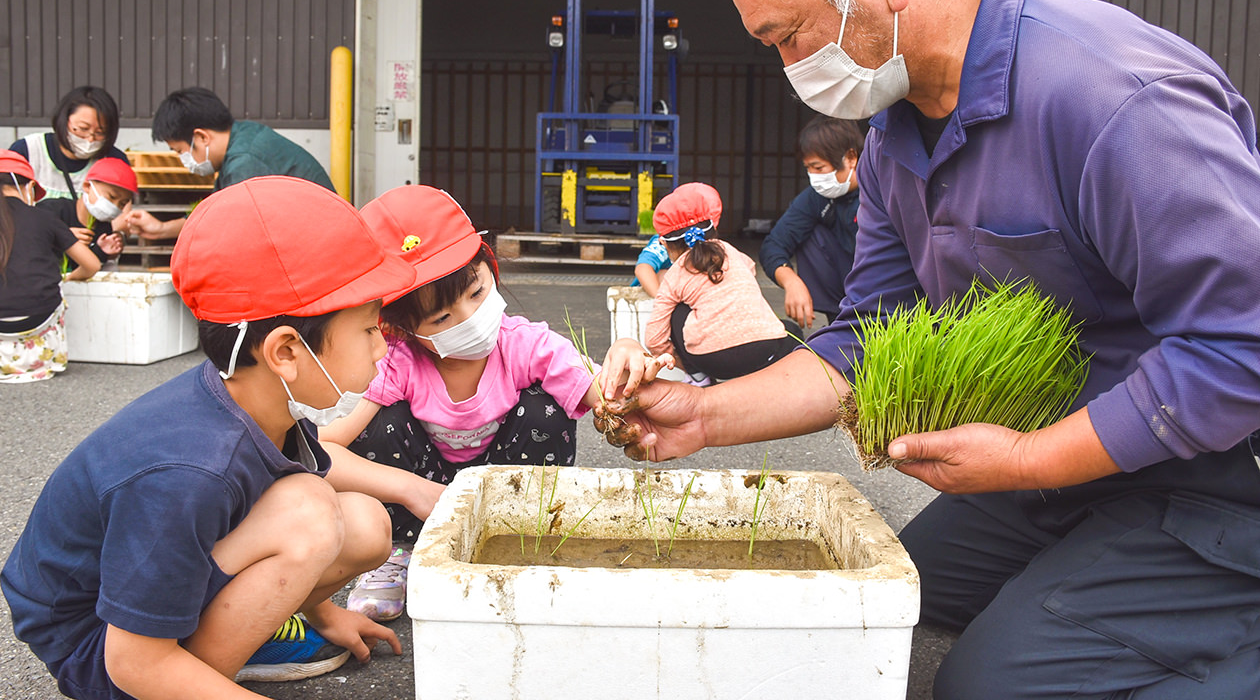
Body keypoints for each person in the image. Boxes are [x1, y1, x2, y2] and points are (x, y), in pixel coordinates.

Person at [597, 0, 1260, 698]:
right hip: (1053, 466)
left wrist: (1025, 460)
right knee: (881, 596)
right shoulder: (894, 134)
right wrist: (698, 414)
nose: (791, 66)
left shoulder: (1114, 99)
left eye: (789, 36)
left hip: (1209, 481)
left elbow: (1242, 348)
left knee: (988, 684)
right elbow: (867, 334)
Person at [1, 176, 411, 697]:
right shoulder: (190, 468)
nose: (384, 347)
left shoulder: (255, 396)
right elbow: (133, 662)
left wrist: (326, 616)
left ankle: (232, 643)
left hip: (136, 607)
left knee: (363, 523)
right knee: (308, 510)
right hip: (100, 646)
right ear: (285, 352)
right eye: (370, 330)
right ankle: (191, 674)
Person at [318, 184, 671, 622]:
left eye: (477, 293)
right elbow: (323, 452)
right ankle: (398, 551)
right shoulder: (395, 363)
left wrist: (627, 352)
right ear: (403, 329)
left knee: (546, 407)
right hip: (422, 492)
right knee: (381, 422)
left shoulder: (525, 345)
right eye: (442, 318)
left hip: (502, 482)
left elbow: (606, 397)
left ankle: (525, 540)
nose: (470, 319)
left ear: (490, 268)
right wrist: (413, 490)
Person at [125, 87, 335, 241]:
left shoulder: (244, 162)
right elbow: (214, 215)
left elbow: (235, 231)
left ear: (201, 137)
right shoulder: (240, 140)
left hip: (319, 244)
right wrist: (161, 229)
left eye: (180, 151)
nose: (183, 161)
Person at [644, 182, 796, 383]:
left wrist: (680, 361)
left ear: (665, 243)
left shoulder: (676, 272)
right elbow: (750, 270)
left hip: (713, 362)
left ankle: (697, 377)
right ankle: (772, 377)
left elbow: (654, 339)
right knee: (792, 330)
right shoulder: (731, 251)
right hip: (763, 350)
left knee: (677, 311)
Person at [0, 151, 102, 383]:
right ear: (27, 187)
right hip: (39, 322)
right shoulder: (44, 218)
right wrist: (71, 276)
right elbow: (92, 264)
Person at [759, 115, 862, 329]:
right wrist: (790, 280)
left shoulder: (880, 191)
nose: (813, 176)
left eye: (819, 167)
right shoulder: (817, 197)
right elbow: (774, 244)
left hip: (886, 290)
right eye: (808, 169)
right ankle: (839, 320)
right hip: (847, 284)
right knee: (809, 233)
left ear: (851, 158)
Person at [8, 86, 130, 202]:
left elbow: (122, 212)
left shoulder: (114, 161)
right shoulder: (28, 150)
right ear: (64, 120)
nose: (90, 139)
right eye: (83, 129)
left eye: (100, 132)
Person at [36, 157, 137, 272]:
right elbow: (30, 240)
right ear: (87, 186)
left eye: (122, 203)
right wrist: (61, 238)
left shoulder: (104, 229)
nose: (115, 206)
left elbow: (85, 269)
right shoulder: (52, 210)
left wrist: (102, 251)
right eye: (111, 197)